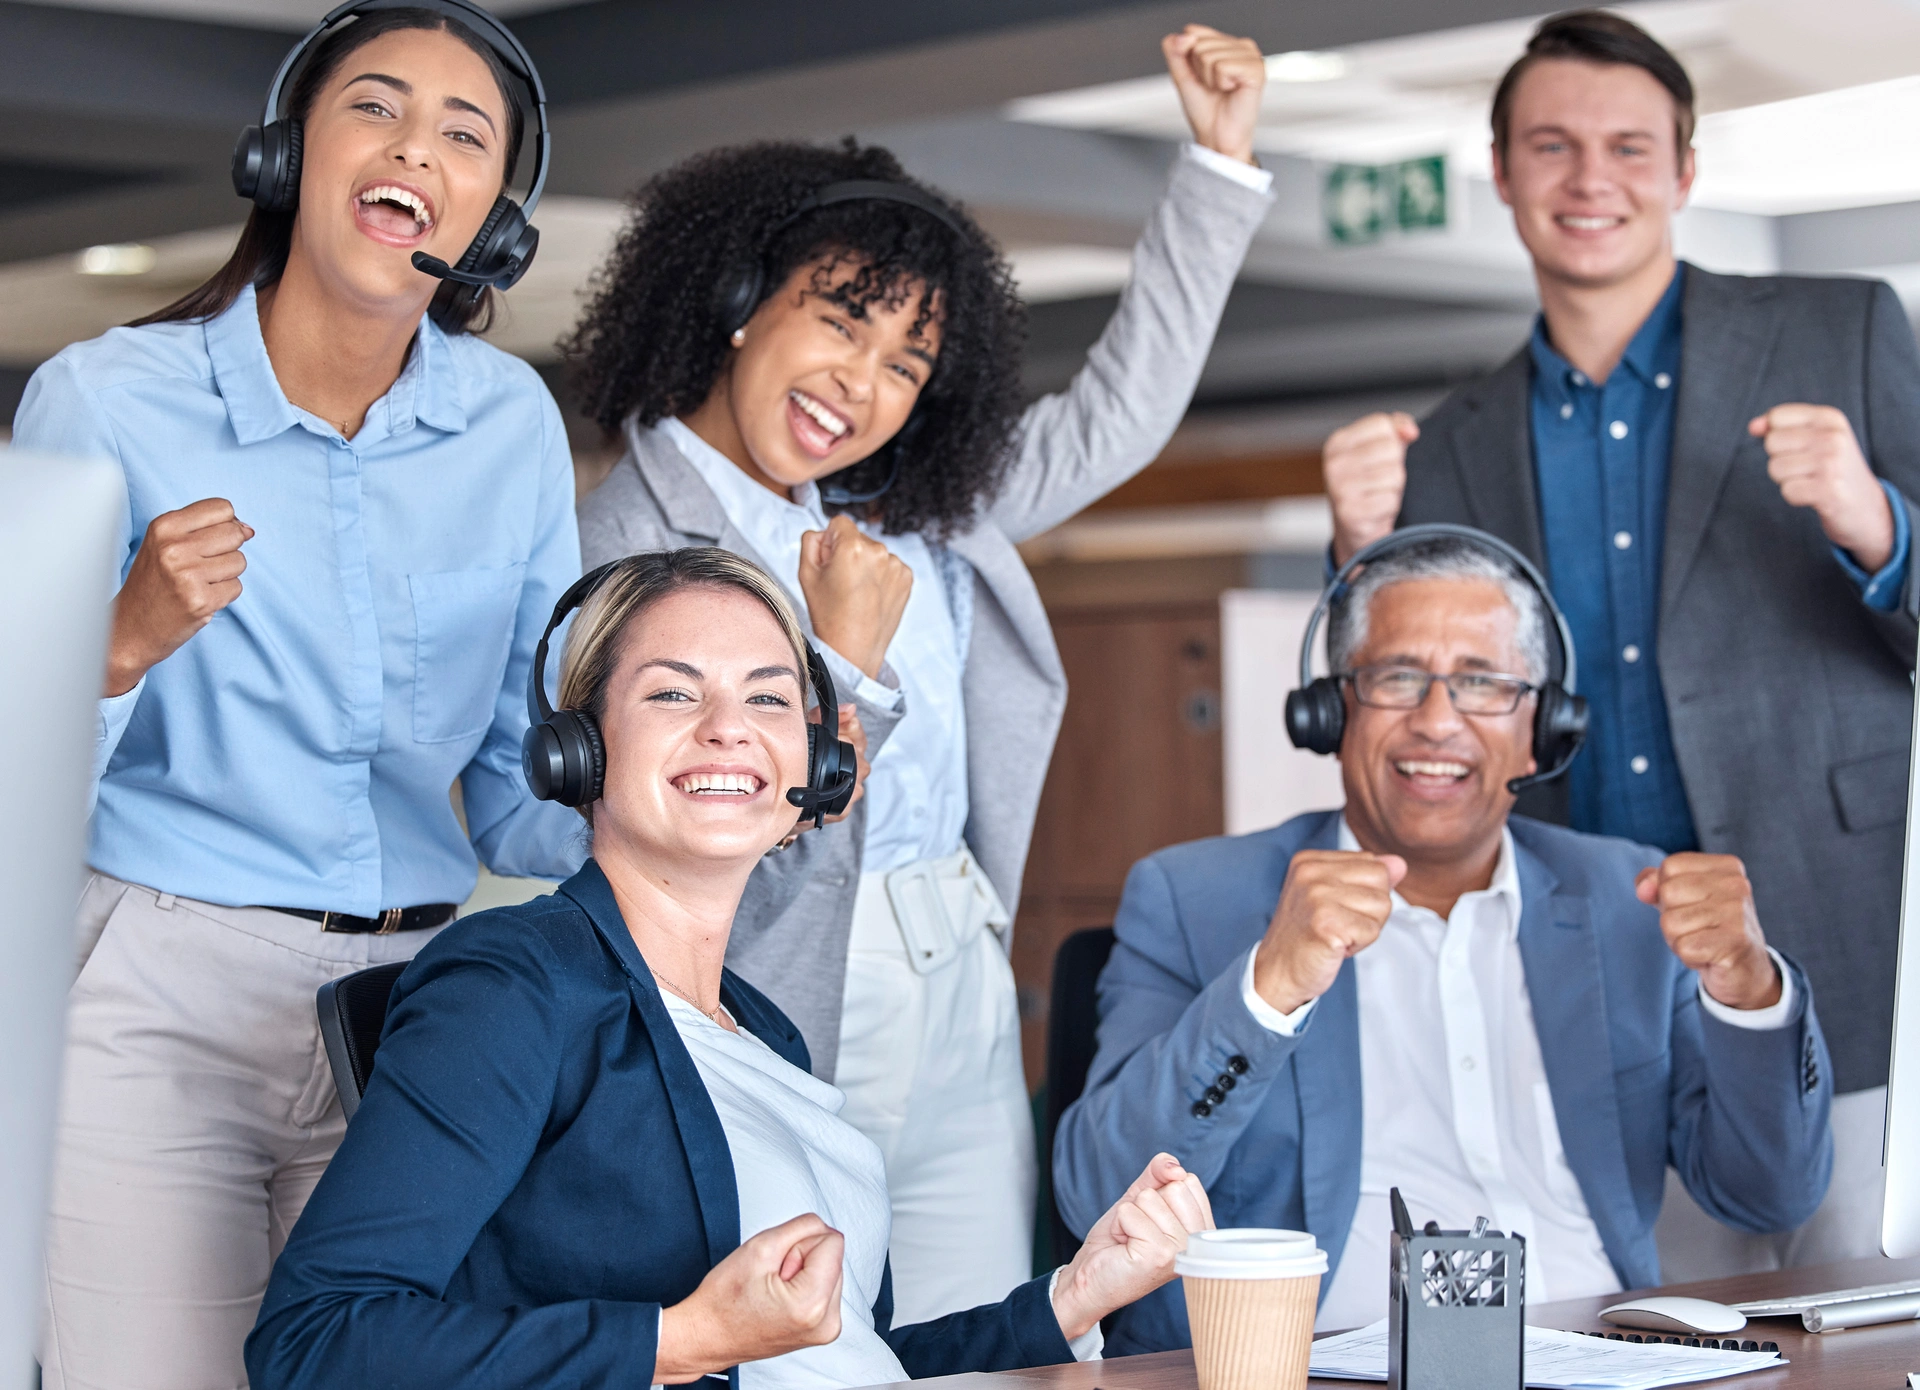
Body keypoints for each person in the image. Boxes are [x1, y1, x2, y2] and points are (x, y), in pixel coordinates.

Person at [570, 25, 1274, 1323]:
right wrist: (842, 663)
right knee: (798, 1336)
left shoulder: (917, 507)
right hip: (780, 965)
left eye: (906, 362)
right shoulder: (628, 537)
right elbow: (649, 819)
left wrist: (1217, 165)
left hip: (958, 952)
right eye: (841, 324)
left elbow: (1119, 410)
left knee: (989, 1324)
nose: (864, 384)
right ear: (740, 302)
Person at [245, 547, 1215, 1388]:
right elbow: (314, 1341)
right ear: (579, 750)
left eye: (769, 696)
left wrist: (1074, 1295)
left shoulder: (765, 1030)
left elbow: (841, 1359)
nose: (728, 726)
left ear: (814, 767)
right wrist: (683, 1340)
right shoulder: (515, 985)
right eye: (674, 692)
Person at [11, 5, 584, 1384]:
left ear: (496, 219)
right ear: (285, 156)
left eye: (464, 135)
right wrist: (117, 643)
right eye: (374, 108)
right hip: (159, 993)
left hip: (416, 1015)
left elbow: (524, 803)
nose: (416, 150)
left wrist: (692, 781)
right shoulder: (103, 401)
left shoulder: (511, 425)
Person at [1318, 8, 1919, 1272]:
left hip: (1846, 949)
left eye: (1630, 148)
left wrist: (1877, 522)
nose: (1591, 179)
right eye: (1553, 146)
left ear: (1685, 171)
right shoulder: (1451, 444)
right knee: (1660, 1336)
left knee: (1878, 1328)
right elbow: (1405, 715)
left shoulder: (1845, 327)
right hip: (1604, 998)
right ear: (1502, 174)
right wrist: (1352, 552)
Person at [1053, 530, 1833, 1352]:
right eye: (1397, 678)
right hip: (1319, 1365)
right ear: (1333, 713)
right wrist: (1267, 991)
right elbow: (1096, 1194)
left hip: (1601, 1359)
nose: (1436, 721)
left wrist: (1749, 994)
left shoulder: (1625, 897)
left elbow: (1771, 1196)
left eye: (1482, 682)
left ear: (1543, 727)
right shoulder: (1193, 897)